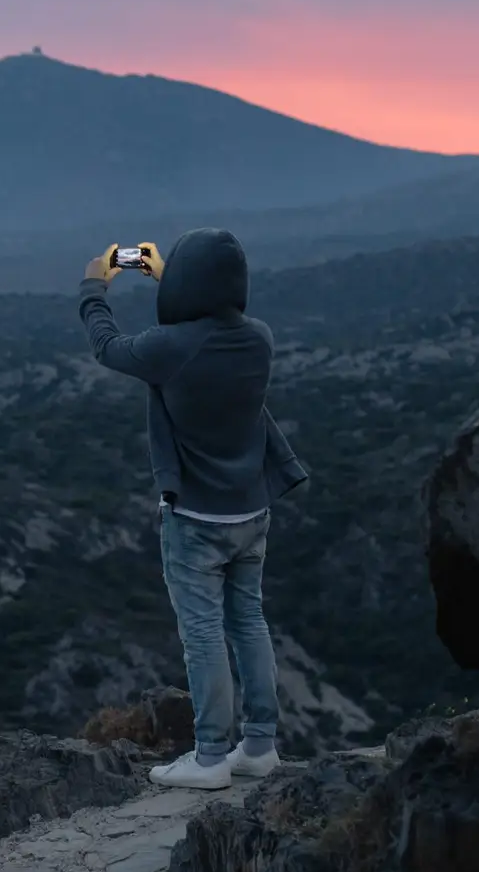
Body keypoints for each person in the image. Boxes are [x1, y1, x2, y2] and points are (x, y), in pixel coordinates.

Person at [77, 229, 310, 790]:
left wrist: (94, 285)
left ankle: (209, 758)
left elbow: (107, 347)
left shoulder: (170, 348)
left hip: (196, 522)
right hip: (252, 513)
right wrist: (174, 278)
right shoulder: (260, 339)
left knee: (203, 634)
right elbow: (210, 316)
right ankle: (259, 746)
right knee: (249, 622)